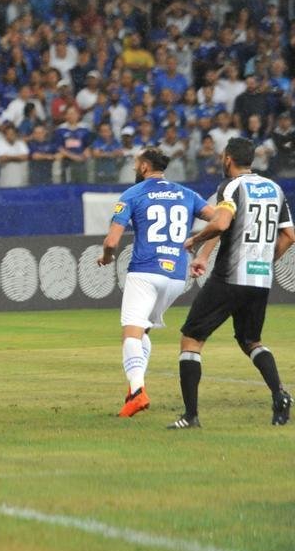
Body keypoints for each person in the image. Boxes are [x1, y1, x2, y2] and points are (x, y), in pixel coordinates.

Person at [169, 137, 295, 429]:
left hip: (229, 277)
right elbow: (289, 235)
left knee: (191, 338)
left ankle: (191, 416)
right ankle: (280, 394)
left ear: (228, 159)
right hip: (260, 279)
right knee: (251, 341)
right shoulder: (274, 189)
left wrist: (195, 239)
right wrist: (263, 262)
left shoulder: (231, 187)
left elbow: (222, 223)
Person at [96, 148, 215, 417]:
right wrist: (200, 249)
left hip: (145, 272)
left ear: (145, 167)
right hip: (176, 276)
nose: (134, 169)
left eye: (136, 165)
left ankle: (137, 392)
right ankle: (134, 390)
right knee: (144, 332)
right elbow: (220, 220)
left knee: (131, 333)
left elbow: (112, 241)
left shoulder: (133, 194)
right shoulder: (186, 194)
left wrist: (105, 257)